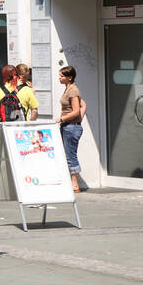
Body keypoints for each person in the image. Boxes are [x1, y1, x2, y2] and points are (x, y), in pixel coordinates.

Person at [59, 65, 85, 193]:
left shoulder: (73, 91)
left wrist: (63, 119)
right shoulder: (68, 89)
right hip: (68, 126)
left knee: (70, 155)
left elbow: (76, 111)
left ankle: (75, 185)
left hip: (70, 127)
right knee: (67, 154)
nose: (60, 78)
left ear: (70, 78)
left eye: (62, 76)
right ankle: (71, 182)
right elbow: (83, 105)